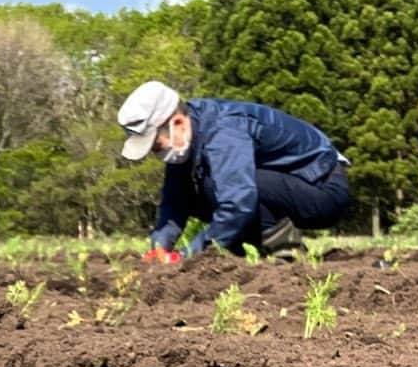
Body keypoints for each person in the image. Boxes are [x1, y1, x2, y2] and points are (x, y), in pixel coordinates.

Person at [116, 81, 350, 261]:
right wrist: (159, 248)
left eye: (156, 145)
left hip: (323, 189)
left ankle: (285, 250)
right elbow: (174, 202)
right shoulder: (187, 140)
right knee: (198, 190)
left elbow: (238, 202)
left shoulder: (223, 131)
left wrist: (189, 256)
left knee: (222, 186)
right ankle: (247, 249)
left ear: (177, 123)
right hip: (282, 187)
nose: (157, 155)